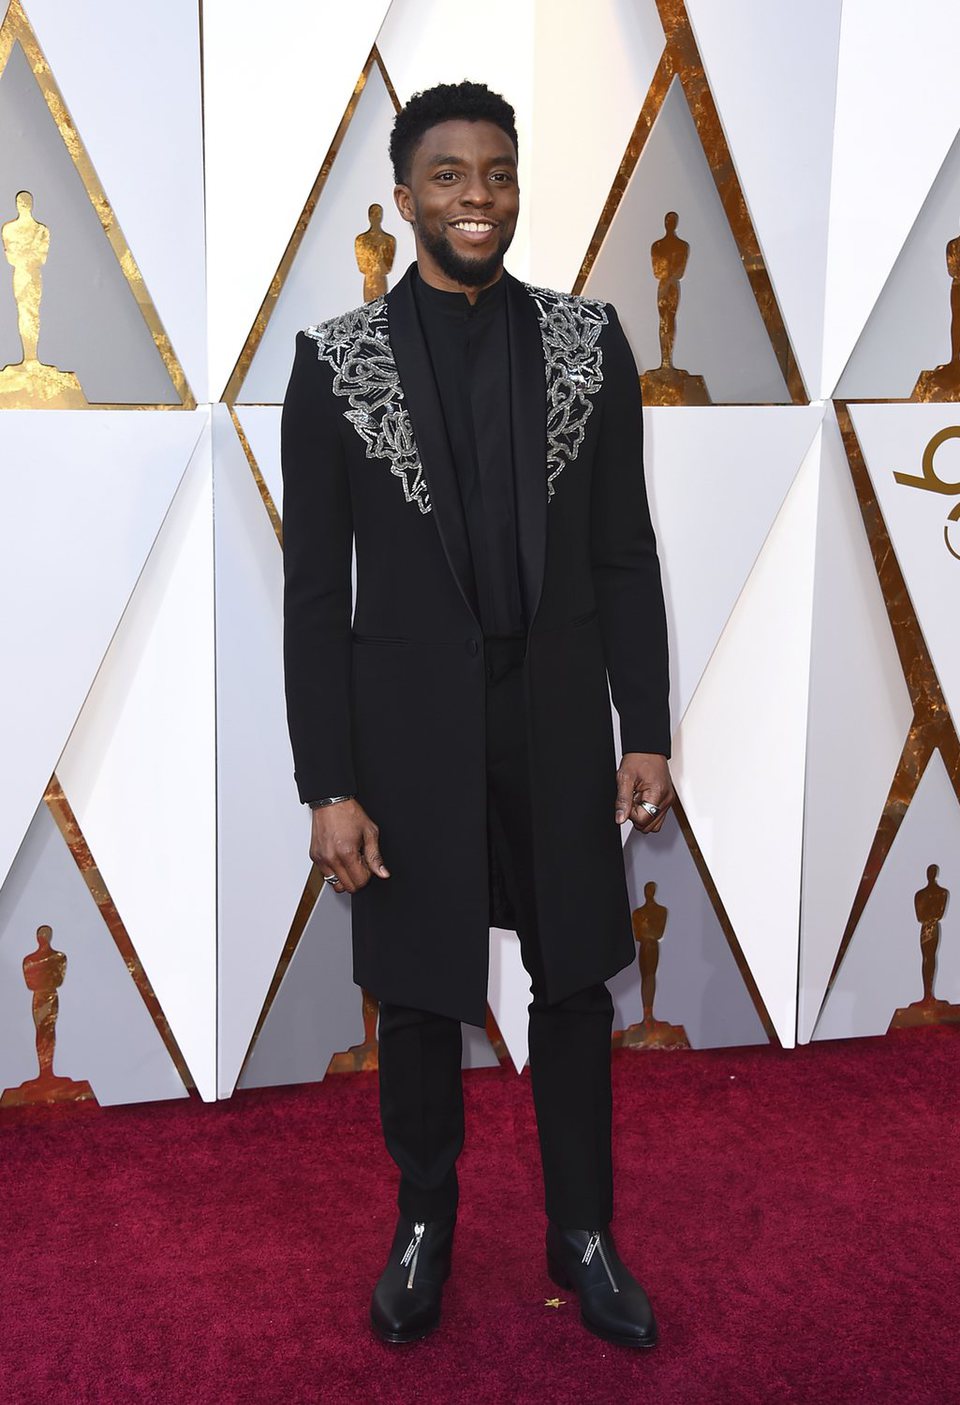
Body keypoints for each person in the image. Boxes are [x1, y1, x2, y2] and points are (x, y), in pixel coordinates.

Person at [281, 80, 674, 1350]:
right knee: (414, 994)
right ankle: (423, 1225)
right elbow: (311, 593)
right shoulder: (333, 363)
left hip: (556, 716)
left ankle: (585, 1233)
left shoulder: (587, 340)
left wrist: (646, 725)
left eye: (496, 174)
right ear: (405, 199)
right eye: (448, 177)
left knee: (573, 986)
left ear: (518, 185)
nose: (477, 200)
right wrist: (326, 782)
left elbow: (624, 551)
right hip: (406, 736)